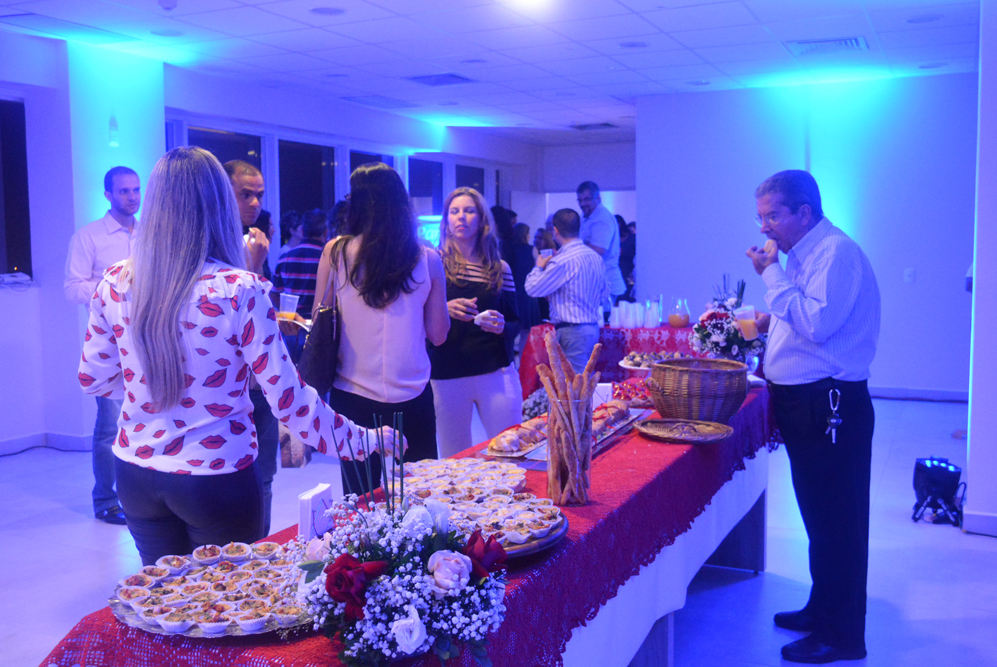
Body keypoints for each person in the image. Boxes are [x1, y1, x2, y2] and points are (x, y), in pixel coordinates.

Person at [77, 147, 396, 564]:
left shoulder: (115, 282)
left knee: (165, 598)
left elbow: (94, 379)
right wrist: (364, 441)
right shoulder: (239, 288)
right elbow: (289, 401)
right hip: (216, 476)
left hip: (136, 473)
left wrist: (153, 385)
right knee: (228, 600)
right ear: (220, 207)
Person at [745, 170, 880, 664]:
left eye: (773, 215)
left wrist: (770, 275)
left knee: (838, 523)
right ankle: (822, 608)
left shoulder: (835, 253)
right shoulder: (806, 255)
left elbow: (818, 324)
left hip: (831, 404)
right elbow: (806, 319)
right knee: (820, 518)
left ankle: (842, 636)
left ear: (804, 212)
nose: (765, 227)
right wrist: (772, 320)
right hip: (810, 402)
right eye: (761, 217)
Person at [313, 163, 450, 493]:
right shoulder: (427, 259)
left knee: (360, 499)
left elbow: (320, 320)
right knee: (420, 496)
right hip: (413, 393)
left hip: (352, 394)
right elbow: (439, 333)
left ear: (357, 204)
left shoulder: (336, 253)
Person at [65, 166, 142, 526]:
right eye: (124, 191)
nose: (132, 197)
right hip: (109, 344)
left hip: (147, 341)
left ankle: (141, 498)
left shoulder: (149, 233)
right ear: (108, 195)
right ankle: (106, 501)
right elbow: (72, 288)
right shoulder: (89, 236)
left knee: (147, 420)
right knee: (110, 426)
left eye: (136, 190)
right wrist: (113, 285)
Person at [429, 188, 523, 457]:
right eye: (454, 211)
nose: (461, 217)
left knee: (508, 454)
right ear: (446, 220)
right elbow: (416, 320)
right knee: (455, 460)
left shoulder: (499, 267)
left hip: (494, 371)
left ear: (481, 219)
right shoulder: (433, 263)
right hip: (447, 373)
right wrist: (444, 310)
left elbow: (516, 321)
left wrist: (502, 326)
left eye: (469, 211)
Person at [222, 158, 280, 537]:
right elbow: (231, 313)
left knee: (264, 476)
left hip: (259, 377)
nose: (255, 203)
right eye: (245, 194)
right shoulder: (211, 243)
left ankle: (262, 553)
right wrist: (253, 268)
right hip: (224, 384)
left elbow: (259, 310)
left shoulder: (255, 237)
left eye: (259, 194)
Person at [524, 209, 607, 373]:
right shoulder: (595, 257)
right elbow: (604, 293)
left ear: (555, 230)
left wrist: (538, 266)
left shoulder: (563, 261)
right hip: (592, 328)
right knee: (584, 382)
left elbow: (532, 288)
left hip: (572, 331)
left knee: (575, 385)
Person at [274, 209, 328, 362]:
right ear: (325, 232)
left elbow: (274, 293)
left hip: (291, 325)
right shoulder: (328, 258)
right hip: (319, 328)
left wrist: (286, 313)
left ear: (303, 231)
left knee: (292, 370)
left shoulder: (285, 257)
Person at [576, 181, 626, 311]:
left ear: (598, 197)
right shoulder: (587, 216)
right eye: (580, 200)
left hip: (605, 284)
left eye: (586, 199)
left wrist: (574, 247)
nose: (582, 204)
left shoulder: (602, 218)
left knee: (600, 320)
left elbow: (598, 250)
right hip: (596, 283)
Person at [509, 222, 541, 339]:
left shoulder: (509, 250)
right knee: (526, 330)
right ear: (525, 234)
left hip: (513, 291)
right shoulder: (531, 249)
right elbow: (538, 268)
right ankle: (523, 351)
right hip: (528, 291)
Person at [617, 214, 636, 303]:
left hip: (629, 274)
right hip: (617, 273)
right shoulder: (613, 239)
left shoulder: (632, 238)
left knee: (628, 298)